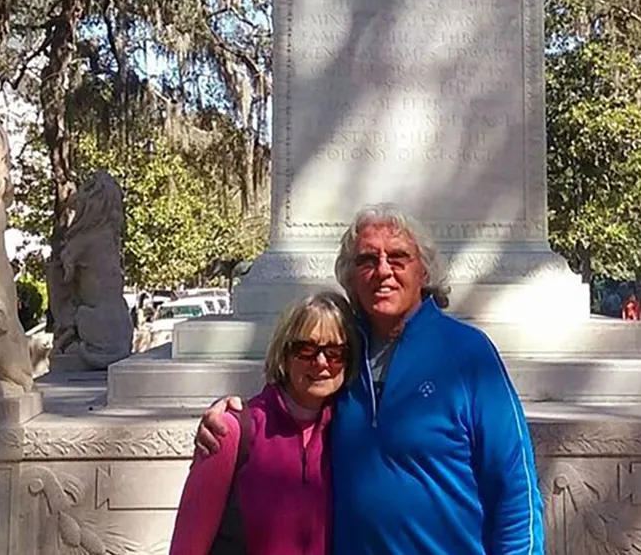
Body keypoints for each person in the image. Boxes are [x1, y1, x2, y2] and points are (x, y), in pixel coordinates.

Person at [195, 203, 545, 554]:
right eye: (367, 260)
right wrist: (231, 418)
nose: (382, 271)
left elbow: (516, 489)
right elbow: (290, 405)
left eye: (398, 258)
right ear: (350, 277)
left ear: (424, 272)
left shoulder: (469, 354)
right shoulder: (340, 352)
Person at [170, 291, 359, 555]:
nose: (321, 362)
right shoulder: (230, 431)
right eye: (305, 349)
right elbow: (188, 545)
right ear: (284, 354)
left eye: (335, 352)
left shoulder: (352, 432)